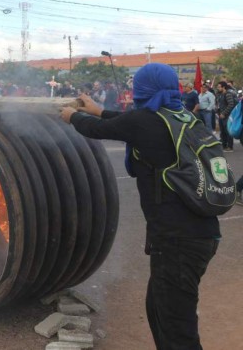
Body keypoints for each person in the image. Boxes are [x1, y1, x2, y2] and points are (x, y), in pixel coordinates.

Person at [60, 63, 220, 350]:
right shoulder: (178, 116)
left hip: (178, 243)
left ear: (144, 89)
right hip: (200, 235)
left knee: (176, 329)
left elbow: (102, 129)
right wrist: (97, 109)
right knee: (158, 308)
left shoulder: (147, 122)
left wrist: (73, 116)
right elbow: (126, 123)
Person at [215, 81, 237, 152]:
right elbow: (218, 104)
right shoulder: (219, 94)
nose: (218, 88)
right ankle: (224, 146)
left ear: (223, 87)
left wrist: (224, 113)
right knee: (222, 132)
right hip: (220, 115)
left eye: (219, 87)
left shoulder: (228, 94)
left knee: (228, 131)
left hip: (227, 116)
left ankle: (230, 147)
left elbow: (231, 104)